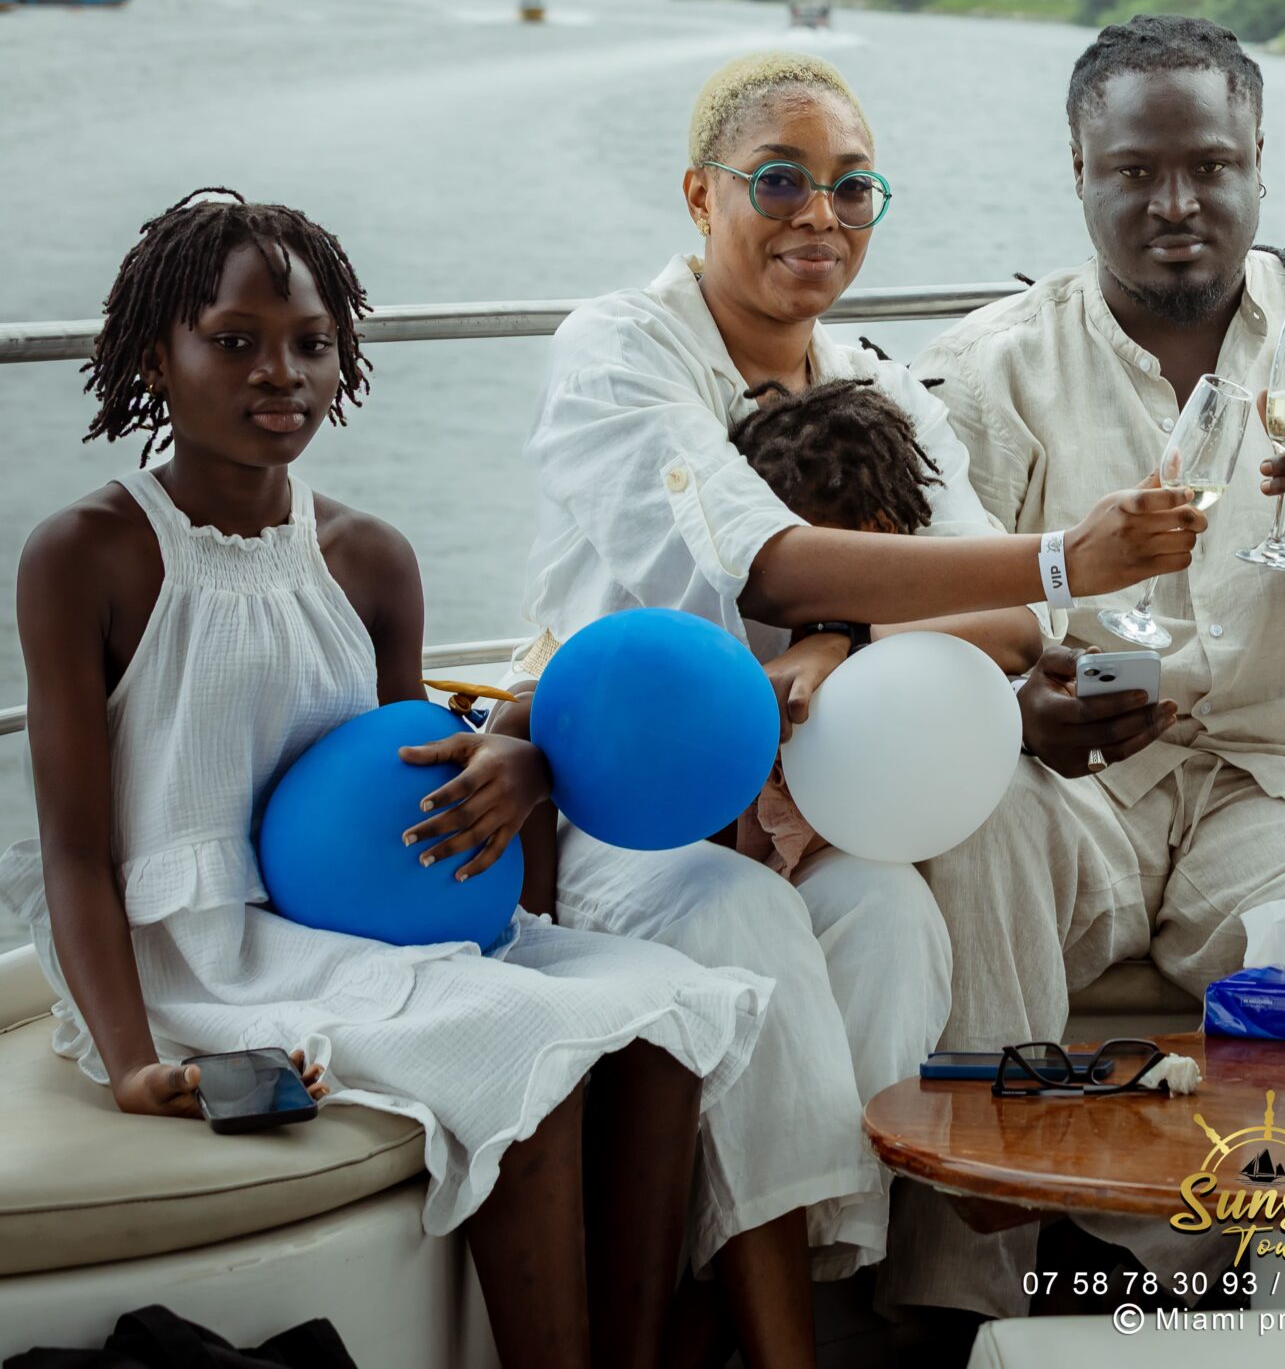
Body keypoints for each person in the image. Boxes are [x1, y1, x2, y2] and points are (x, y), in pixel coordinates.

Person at [505, 51, 1201, 1352]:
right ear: (701, 195)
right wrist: (1067, 555)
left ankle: (854, 1287)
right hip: (623, 807)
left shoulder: (872, 383)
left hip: (807, 805)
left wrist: (841, 638)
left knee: (889, 922)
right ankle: (776, 1344)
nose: (818, 215)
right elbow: (763, 560)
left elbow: (1006, 621)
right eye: (778, 180)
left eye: (852, 187)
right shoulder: (621, 351)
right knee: (747, 918)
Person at [2, 192, 769, 1369]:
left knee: (668, 1006)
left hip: (357, 924)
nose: (282, 374)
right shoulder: (87, 555)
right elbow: (71, 849)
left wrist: (519, 760)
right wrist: (130, 1061)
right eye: (235, 340)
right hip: (197, 954)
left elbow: (401, 776)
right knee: (525, 1039)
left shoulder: (367, 558)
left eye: (311, 344)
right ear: (158, 356)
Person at [900, 14, 1285, 1319]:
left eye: (1209, 165)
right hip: (1080, 783)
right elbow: (934, 606)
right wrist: (1019, 708)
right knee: (974, 819)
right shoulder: (990, 366)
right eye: (1134, 171)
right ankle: (972, 1289)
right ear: (1078, 172)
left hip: (1277, 773)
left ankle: (1182, 1280)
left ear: (1259, 160)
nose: (1177, 203)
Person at [724, 376, 1016, 879]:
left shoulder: (908, 626)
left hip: (868, 840)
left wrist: (846, 637)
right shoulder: (751, 625)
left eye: (813, 552)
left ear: (881, 531)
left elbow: (1021, 634)